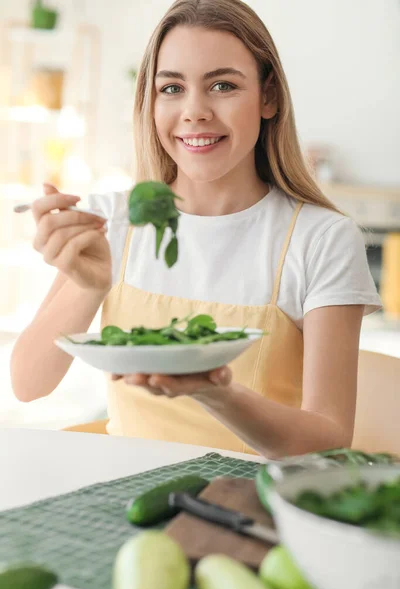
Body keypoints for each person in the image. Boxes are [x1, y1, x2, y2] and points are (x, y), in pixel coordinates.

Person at [10, 0, 381, 458]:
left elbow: (327, 437)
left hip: (250, 499)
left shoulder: (320, 239)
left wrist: (215, 391)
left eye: (222, 85)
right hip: (125, 490)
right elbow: (28, 384)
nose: (194, 111)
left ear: (269, 98)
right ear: (150, 101)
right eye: (171, 88)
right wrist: (90, 286)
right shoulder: (115, 219)